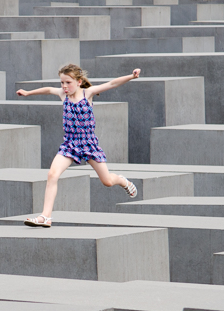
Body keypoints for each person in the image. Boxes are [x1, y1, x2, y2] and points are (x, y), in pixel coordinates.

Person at [16, 64, 141, 228]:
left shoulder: (87, 93)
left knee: (108, 181)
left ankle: (122, 180)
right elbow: (47, 90)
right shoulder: (63, 95)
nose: (64, 86)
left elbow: (111, 84)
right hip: (70, 144)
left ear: (79, 82)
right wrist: (28, 93)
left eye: (68, 82)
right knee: (52, 175)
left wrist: (131, 76)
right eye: (62, 83)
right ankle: (45, 216)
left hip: (88, 144)